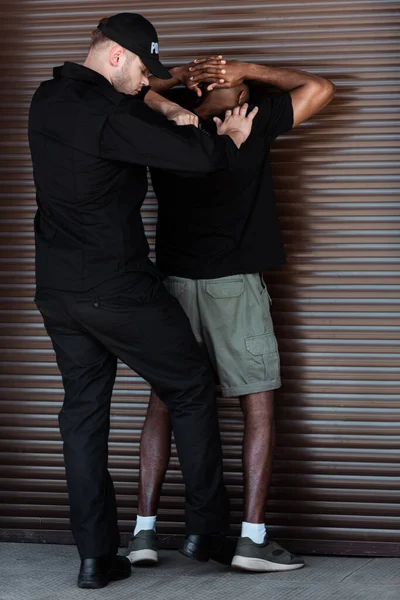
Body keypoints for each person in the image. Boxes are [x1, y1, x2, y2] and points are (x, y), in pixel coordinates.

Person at [28, 14, 258, 589]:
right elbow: (198, 160)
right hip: (117, 288)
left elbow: (134, 104)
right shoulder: (108, 115)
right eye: (140, 69)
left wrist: (165, 103)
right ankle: (206, 529)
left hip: (59, 293)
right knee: (190, 386)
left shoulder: (48, 97)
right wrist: (225, 137)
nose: (144, 81)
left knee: (82, 419)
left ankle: (94, 558)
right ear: (113, 57)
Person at [127, 57, 335, 572]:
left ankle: (143, 534)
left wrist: (183, 78)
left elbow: (129, 91)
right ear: (208, 87)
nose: (232, 79)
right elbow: (319, 87)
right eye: (221, 74)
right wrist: (237, 70)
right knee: (257, 405)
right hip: (234, 288)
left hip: (174, 285)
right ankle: (252, 540)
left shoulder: (165, 123)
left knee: (163, 403)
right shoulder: (249, 122)